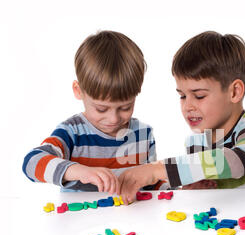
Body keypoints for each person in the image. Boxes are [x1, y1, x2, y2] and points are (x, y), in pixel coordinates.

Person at [117, 31, 245, 204]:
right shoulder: (197, 143)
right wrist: (192, 191)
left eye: (199, 95)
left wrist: (158, 169)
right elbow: (212, 192)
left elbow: (235, 161)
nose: (188, 106)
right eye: (182, 96)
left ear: (234, 92)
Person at [22, 30, 168, 194]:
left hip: (131, 217)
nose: (113, 119)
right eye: (101, 109)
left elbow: (150, 183)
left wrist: (175, 189)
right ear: (78, 91)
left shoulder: (143, 134)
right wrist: (79, 171)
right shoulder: (72, 133)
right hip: (80, 218)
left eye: (125, 107)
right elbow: (31, 162)